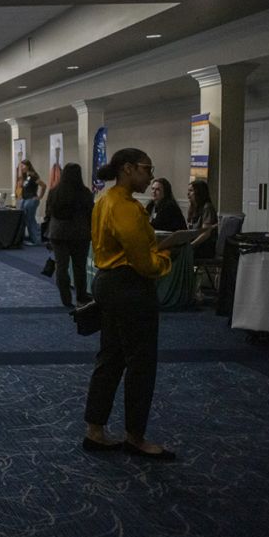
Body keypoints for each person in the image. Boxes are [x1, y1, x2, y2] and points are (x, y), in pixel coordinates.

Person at [83, 148, 185, 460]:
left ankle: (95, 430)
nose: (151, 175)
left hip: (109, 282)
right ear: (128, 169)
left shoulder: (107, 199)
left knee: (111, 357)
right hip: (129, 286)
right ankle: (135, 436)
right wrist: (166, 258)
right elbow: (144, 261)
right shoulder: (124, 206)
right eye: (146, 168)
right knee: (140, 362)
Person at [45, 163, 94, 308]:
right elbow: (90, 214)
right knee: (80, 267)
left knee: (61, 267)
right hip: (80, 234)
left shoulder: (54, 192)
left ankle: (66, 299)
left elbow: (49, 213)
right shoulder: (85, 193)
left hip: (58, 233)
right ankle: (81, 297)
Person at [186, 179, 219, 258]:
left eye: (191, 191)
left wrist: (191, 245)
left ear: (199, 192)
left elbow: (205, 233)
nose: (188, 194)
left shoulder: (207, 207)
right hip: (195, 242)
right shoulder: (193, 208)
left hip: (204, 246)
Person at [18, 159, 47, 246]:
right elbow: (22, 187)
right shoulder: (26, 176)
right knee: (26, 219)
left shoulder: (33, 175)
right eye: (21, 166)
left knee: (30, 219)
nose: (21, 167)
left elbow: (44, 185)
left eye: (23, 166)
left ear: (28, 166)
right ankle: (31, 238)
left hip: (31, 199)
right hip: (25, 199)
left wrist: (39, 197)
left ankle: (36, 240)